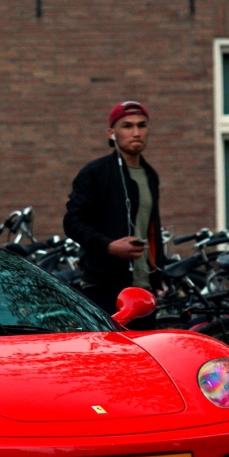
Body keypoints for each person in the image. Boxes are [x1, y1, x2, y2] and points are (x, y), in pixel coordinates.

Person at [63, 101, 163, 327]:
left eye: (142, 125)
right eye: (127, 126)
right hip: (105, 288)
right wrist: (109, 246)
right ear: (112, 133)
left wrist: (158, 275)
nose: (136, 132)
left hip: (143, 291)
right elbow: (72, 222)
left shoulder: (150, 175)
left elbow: (151, 227)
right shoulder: (95, 173)